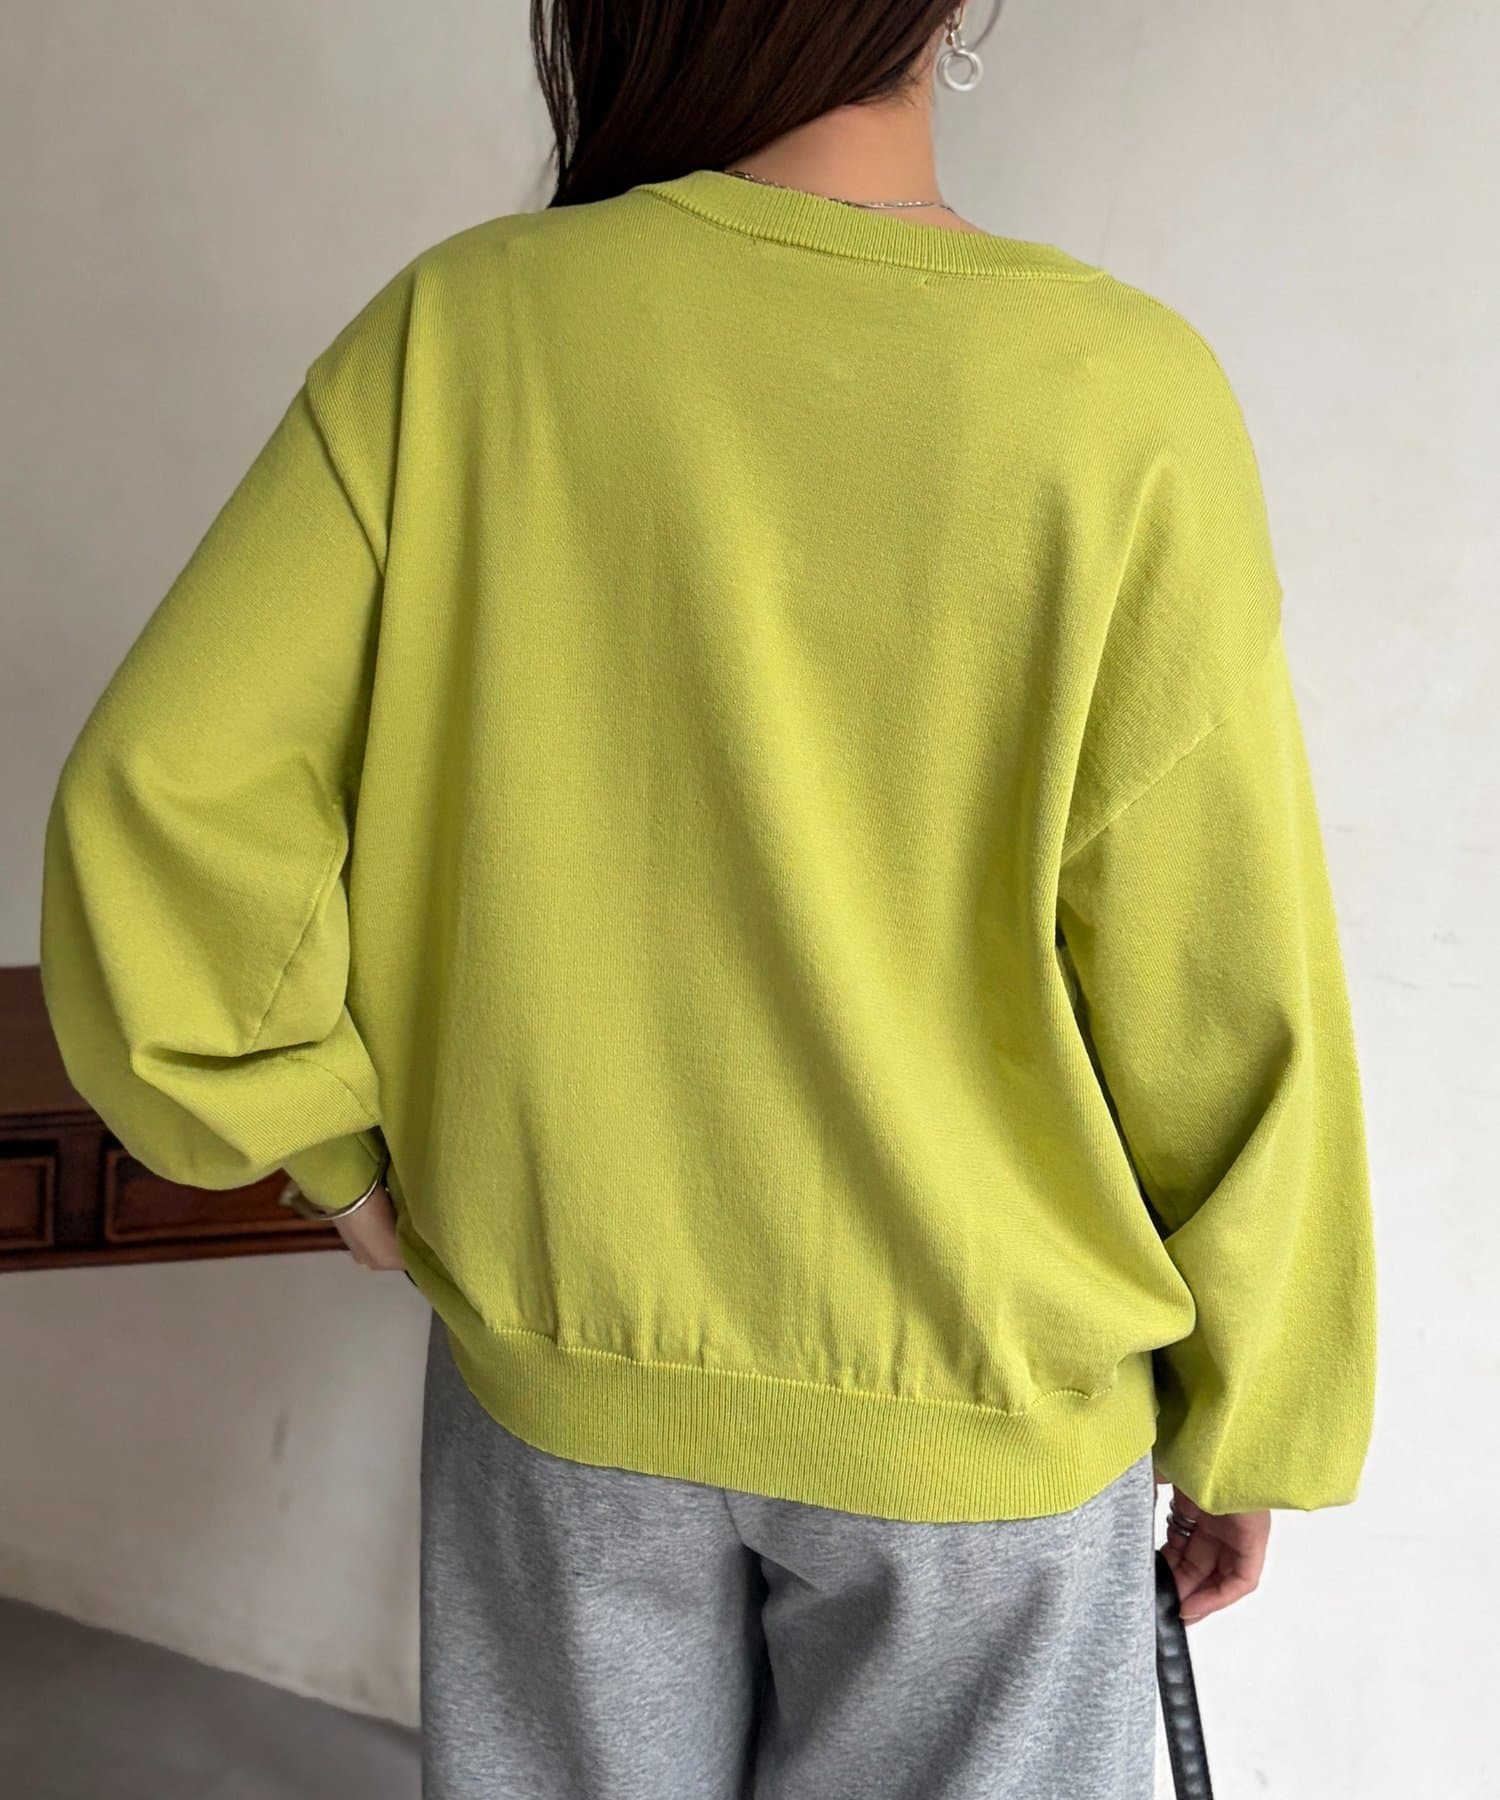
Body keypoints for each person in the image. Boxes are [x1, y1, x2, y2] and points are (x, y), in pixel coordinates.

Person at [37, 2, 1378, 1794]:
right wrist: (1256, 1407)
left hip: (562, 1374)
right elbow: (1220, 969)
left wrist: (327, 1148)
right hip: (982, 1414)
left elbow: (174, 791)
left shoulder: (467, 332)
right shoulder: (1117, 392)